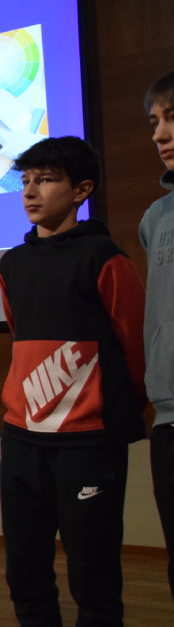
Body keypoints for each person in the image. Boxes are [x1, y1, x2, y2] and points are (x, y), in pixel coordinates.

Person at [0, 137, 146, 626]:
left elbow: (133, 342)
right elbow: (19, 332)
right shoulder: (11, 264)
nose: (30, 192)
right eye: (25, 181)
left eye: (45, 180)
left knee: (93, 578)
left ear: (82, 190)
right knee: (25, 574)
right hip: (22, 439)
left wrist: (111, 410)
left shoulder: (104, 257)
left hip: (87, 442)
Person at [139, 70, 174, 601]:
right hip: (168, 417)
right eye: (154, 122)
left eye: (172, 119)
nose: (159, 135)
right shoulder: (155, 218)